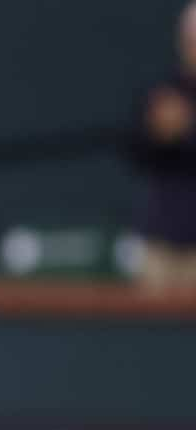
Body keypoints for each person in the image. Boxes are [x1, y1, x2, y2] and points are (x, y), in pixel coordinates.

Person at [130, 1, 196, 294]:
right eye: (191, 40)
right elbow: (138, 153)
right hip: (163, 242)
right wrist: (159, 134)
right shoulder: (164, 92)